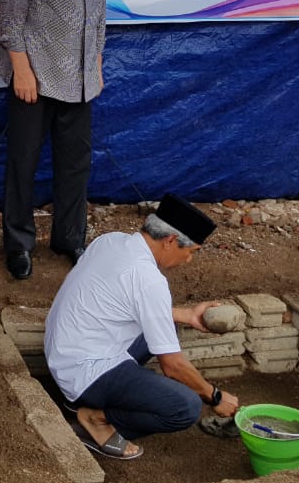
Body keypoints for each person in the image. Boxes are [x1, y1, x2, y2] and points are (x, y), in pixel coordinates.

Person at [0, 0, 130, 280]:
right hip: (34, 76)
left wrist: (98, 62)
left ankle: (70, 238)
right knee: (23, 163)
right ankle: (18, 244)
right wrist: (21, 69)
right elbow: (9, 11)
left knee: (76, 165)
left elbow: (98, 12)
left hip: (82, 77)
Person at [44, 194, 240, 460]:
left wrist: (186, 315)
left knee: (165, 328)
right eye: (190, 252)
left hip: (63, 350)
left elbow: (117, 300)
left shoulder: (111, 240)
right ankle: (96, 419)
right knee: (186, 406)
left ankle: (79, 399)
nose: (188, 261)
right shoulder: (149, 280)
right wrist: (215, 396)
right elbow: (173, 366)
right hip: (85, 369)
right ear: (170, 240)